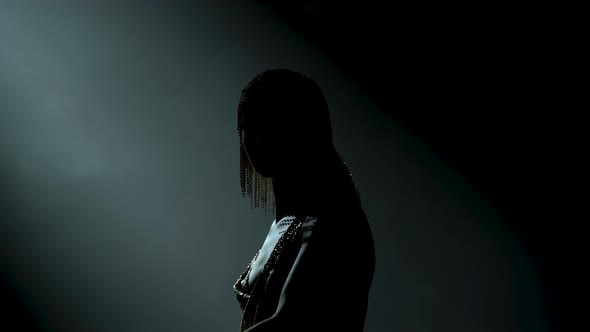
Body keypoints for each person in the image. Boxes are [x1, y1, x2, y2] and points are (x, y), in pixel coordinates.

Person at [233, 69, 375, 332]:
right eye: (248, 126)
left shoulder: (333, 223)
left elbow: (289, 324)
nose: (258, 138)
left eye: (272, 126)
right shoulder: (286, 222)